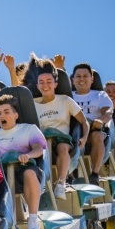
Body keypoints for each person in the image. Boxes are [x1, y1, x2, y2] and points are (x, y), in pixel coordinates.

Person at [0, 95, 47, 229]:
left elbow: (39, 148)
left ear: (16, 115)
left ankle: (33, 219)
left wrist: (28, 155)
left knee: (29, 173)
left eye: (6, 112)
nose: (2, 116)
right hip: (3, 172)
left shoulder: (28, 129)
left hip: (25, 168)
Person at [33, 59, 89, 199]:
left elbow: (84, 122)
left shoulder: (65, 100)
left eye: (49, 81)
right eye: (41, 82)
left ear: (55, 84)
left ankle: (60, 184)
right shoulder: (33, 104)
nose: (45, 85)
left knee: (63, 147)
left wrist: (84, 137)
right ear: (37, 86)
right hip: (43, 141)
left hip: (62, 140)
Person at [70, 63, 113, 176]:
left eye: (85, 76)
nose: (82, 79)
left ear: (92, 79)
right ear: (73, 79)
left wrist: (101, 120)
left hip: (93, 130)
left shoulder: (100, 95)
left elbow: (108, 112)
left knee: (98, 136)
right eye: (78, 76)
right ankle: (69, 174)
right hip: (72, 130)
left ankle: (94, 174)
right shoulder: (68, 96)